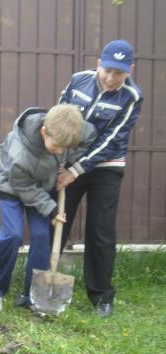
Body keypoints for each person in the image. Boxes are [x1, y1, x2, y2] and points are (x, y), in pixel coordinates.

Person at [56, 39, 143, 317]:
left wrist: (75, 171)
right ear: (98, 64)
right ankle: (38, 283)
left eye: (118, 72)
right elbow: (59, 116)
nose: (110, 77)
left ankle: (102, 296)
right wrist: (60, 163)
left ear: (129, 69)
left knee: (100, 230)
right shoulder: (78, 80)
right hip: (68, 163)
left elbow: (111, 141)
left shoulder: (132, 96)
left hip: (106, 167)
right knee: (56, 219)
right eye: (107, 70)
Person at [0, 105, 97, 311]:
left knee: (41, 237)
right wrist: (52, 210)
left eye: (65, 148)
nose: (61, 152)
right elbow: (23, 186)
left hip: (41, 187)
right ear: (44, 131)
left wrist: (70, 164)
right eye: (57, 147)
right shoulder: (21, 154)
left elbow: (91, 135)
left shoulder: (69, 130)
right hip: (13, 187)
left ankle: (33, 294)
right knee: (12, 236)